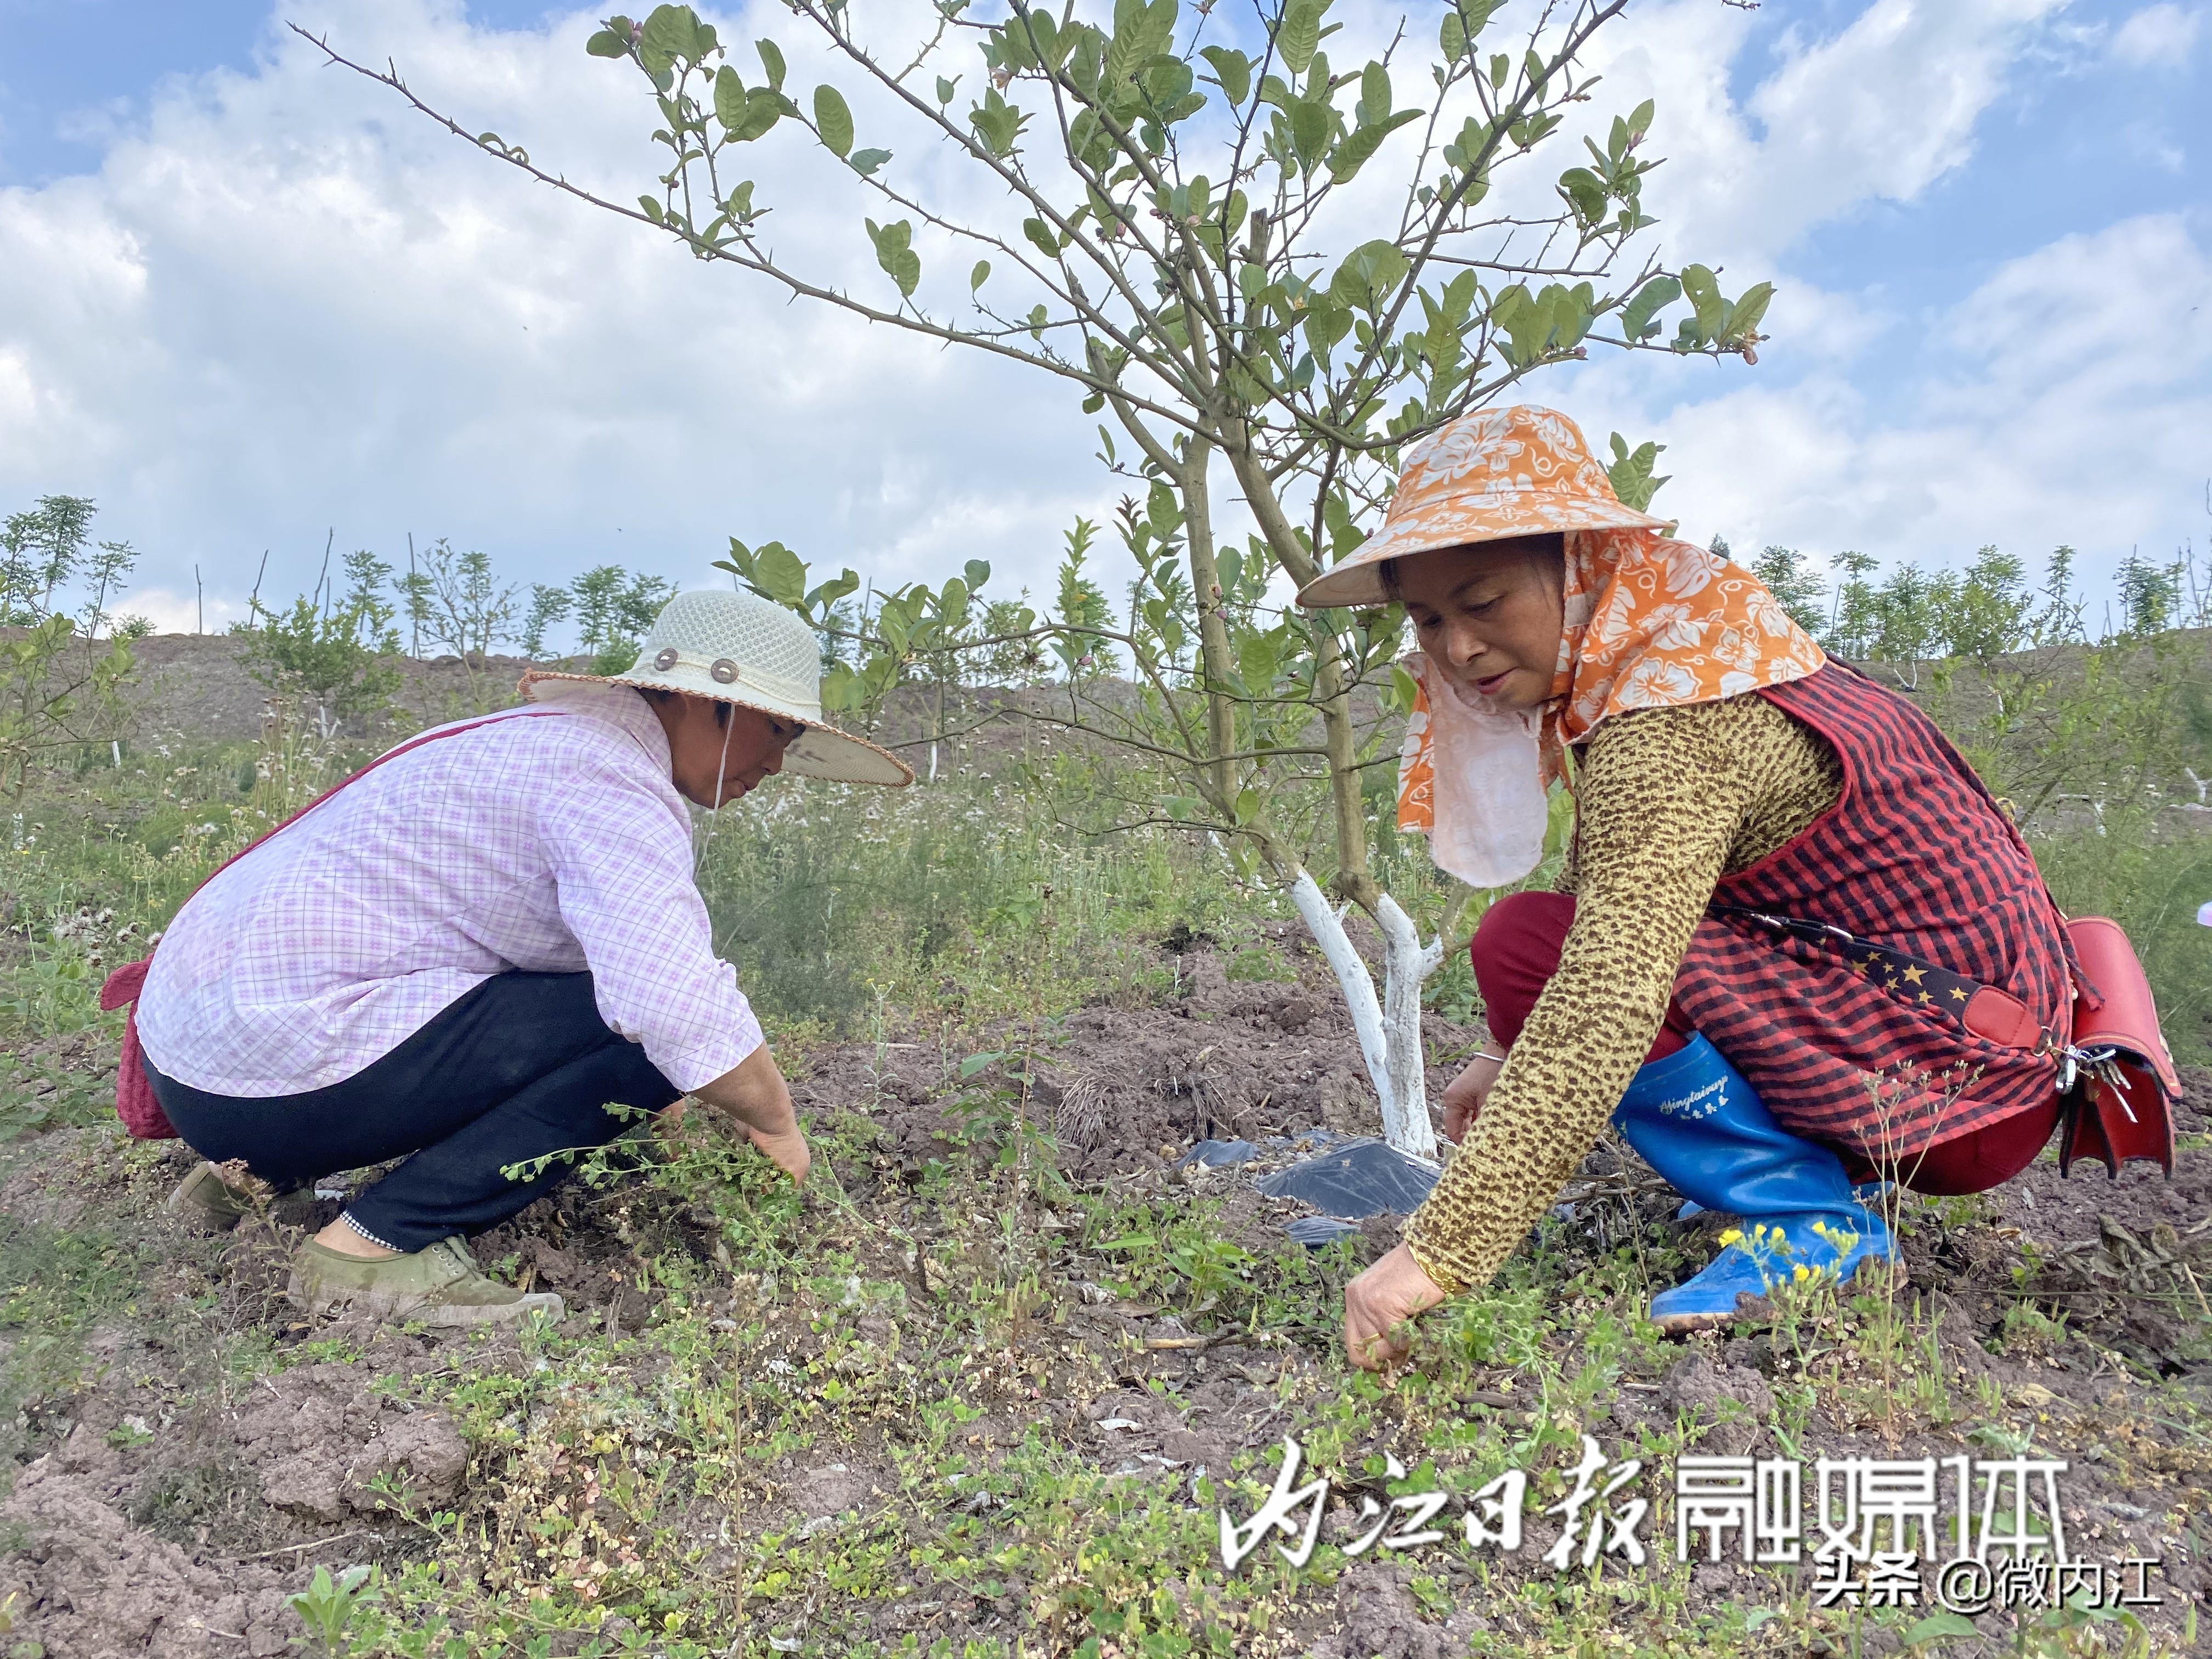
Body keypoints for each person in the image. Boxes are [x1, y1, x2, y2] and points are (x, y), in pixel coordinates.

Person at [1304, 405, 2081, 1369]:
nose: (1457, 649)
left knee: (1527, 944)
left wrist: (1434, 1258)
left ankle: (1813, 1226)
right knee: (1540, 944)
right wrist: (1507, 1055)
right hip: (1983, 1045)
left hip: (1957, 1093)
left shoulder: (1668, 719)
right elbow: (1635, 897)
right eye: (1429, 619)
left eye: (1485, 600)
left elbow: (1607, 989)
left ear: (1576, 566)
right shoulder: (1700, 644)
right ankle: (1804, 1185)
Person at [130, 589, 911, 1325]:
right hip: (266, 1083)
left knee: (616, 1020)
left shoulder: (534, 743)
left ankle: (245, 1182)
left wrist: (655, 1113)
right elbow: (668, 1003)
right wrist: (776, 1125)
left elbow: (585, 963)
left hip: (197, 1068)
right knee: (642, 1037)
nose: (777, 765)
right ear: (705, 701)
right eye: (774, 732)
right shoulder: (609, 782)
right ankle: (370, 1250)